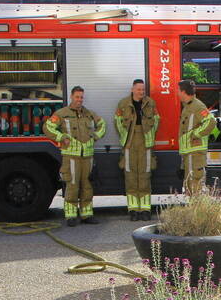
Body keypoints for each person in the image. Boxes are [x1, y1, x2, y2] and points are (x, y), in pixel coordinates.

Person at [44, 86, 107, 226]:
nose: (79, 100)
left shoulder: (89, 114)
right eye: (77, 97)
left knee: (87, 186)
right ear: (71, 97)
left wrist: (95, 136)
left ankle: (87, 215)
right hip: (71, 156)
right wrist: (61, 137)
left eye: (81, 97)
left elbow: (102, 124)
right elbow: (47, 127)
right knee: (72, 186)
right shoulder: (61, 114)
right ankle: (71, 216)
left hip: (87, 156)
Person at [115, 79, 160, 221]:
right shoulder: (123, 104)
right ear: (132, 89)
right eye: (139, 89)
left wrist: (150, 137)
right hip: (129, 143)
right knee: (130, 176)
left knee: (145, 176)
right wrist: (125, 137)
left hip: (145, 142)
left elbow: (157, 120)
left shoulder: (150, 103)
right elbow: (117, 121)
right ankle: (133, 209)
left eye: (143, 90)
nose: (141, 92)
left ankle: (145, 210)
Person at [177, 80, 216, 195]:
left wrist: (196, 135)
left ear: (183, 92)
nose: (177, 93)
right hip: (190, 154)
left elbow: (211, 122)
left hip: (195, 154)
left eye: (178, 91)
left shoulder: (198, 106)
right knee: (190, 187)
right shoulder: (188, 106)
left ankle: (199, 211)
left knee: (195, 187)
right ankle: (194, 211)